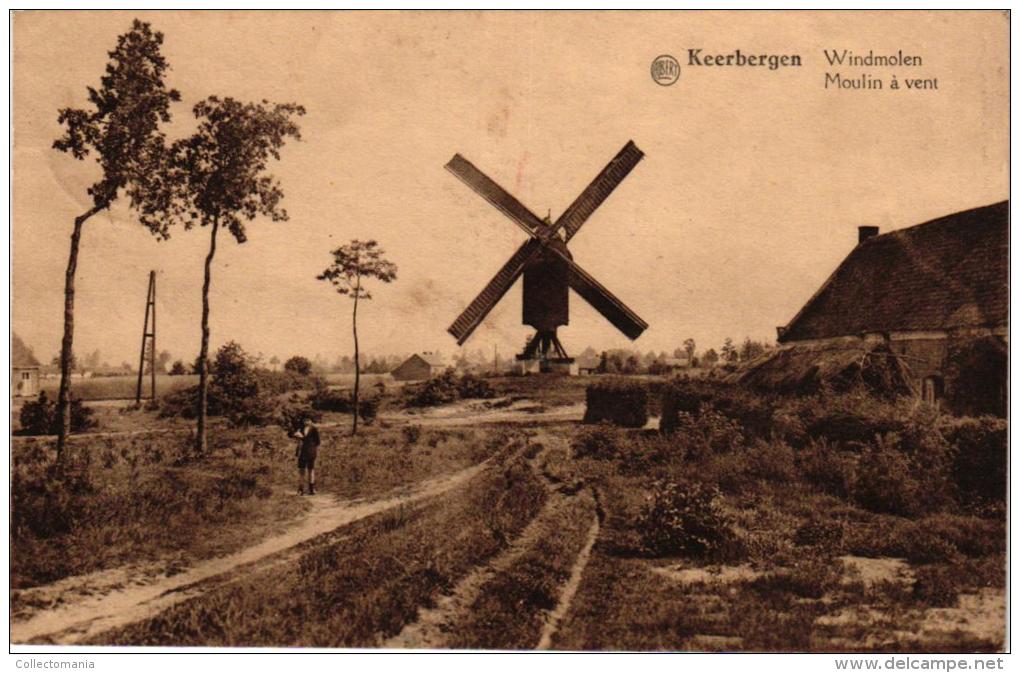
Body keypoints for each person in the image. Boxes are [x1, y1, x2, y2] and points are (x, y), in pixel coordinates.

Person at [290, 416, 321, 495]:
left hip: (310, 452)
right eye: (304, 420)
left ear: (311, 421)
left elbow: (317, 442)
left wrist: (306, 441)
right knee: (301, 471)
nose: (306, 422)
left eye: (308, 420)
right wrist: (296, 436)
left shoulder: (314, 429)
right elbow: (291, 435)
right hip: (302, 453)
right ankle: (301, 489)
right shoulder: (300, 429)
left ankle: (311, 489)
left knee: (311, 470)